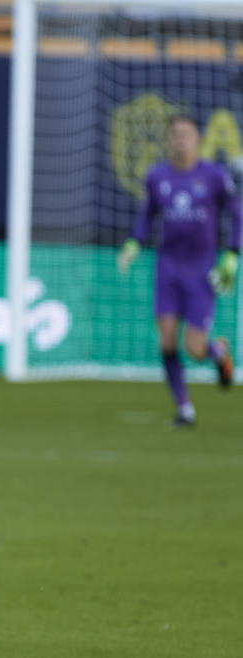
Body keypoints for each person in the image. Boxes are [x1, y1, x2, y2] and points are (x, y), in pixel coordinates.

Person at [117, 112, 238, 427]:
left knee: (194, 347)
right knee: (167, 339)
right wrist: (133, 243)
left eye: (186, 134)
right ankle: (185, 409)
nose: (181, 140)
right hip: (168, 268)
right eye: (175, 135)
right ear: (168, 140)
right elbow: (147, 216)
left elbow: (236, 213)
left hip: (201, 270)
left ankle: (217, 353)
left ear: (197, 139)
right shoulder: (158, 177)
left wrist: (232, 255)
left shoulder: (213, 176)